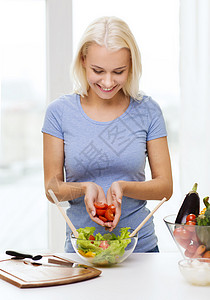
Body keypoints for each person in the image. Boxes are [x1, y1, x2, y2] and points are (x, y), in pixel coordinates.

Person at [42, 16, 173, 253]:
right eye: (98, 71)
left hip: (140, 250)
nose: (108, 82)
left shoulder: (148, 111)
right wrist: (84, 188)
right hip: (82, 251)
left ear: (131, 65)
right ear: (83, 60)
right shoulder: (58, 113)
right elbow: (52, 189)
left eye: (118, 71)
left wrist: (123, 187)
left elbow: (165, 187)